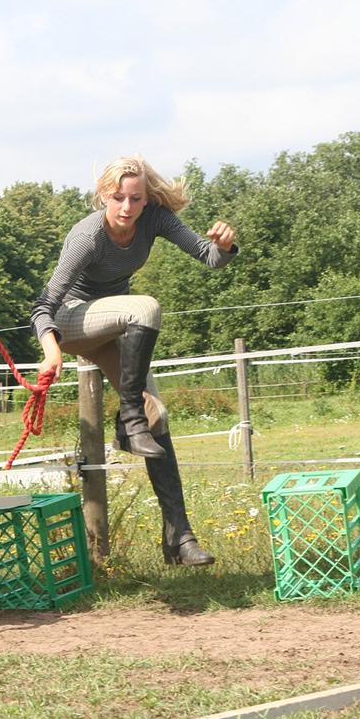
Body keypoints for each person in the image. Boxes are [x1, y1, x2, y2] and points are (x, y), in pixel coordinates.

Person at [31, 156, 238, 566]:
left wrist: (225, 244)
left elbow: (208, 256)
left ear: (147, 200)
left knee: (156, 417)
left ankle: (179, 539)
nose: (126, 207)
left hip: (114, 326)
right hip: (73, 320)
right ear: (104, 195)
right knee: (145, 307)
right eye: (118, 197)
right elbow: (44, 305)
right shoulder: (87, 237)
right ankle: (129, 421)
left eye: (135, 198)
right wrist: (51, 351)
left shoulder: (155, 220)